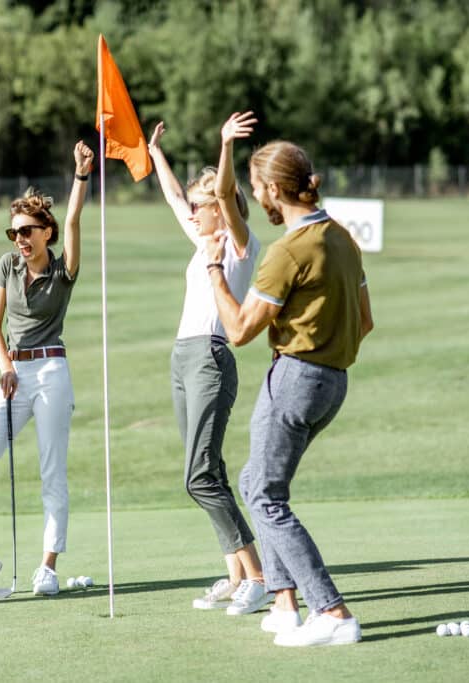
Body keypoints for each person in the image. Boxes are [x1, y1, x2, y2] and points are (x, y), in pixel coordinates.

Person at [203, 112, 374, 646]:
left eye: (257, 191)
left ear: (275, 189)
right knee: (257, 483)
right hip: (333, 382)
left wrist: (214, 270)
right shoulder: (342, 237)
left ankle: (333, 612)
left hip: (296, 379)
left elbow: (238, 331)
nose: (257, 200)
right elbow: (364, 321)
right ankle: (282, 603)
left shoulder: (287, 251)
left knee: (268, 498)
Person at [146, 116, 271, 616]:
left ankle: (259, 576)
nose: (193, 212)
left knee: (198, 476)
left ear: (220, 209)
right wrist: (155, 153)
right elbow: (177, 198)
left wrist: (224, 146)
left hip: (212, 357)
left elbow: (219, 190)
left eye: (204, 206)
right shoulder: (204, 242)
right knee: (209, 468)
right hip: (183, 357)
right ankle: (236, 573)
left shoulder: (240, 243)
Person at [0, 141, 94, 599]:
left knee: (52, 473)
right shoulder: (7, 266)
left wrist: (79, 175)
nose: (20, 238)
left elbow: (74, 220)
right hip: (15, 374)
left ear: (46, 233)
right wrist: (5, 367)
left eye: (28, 230)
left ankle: (48, 567)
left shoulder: (63, 270)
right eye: (14, 231)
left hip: (53, 372)